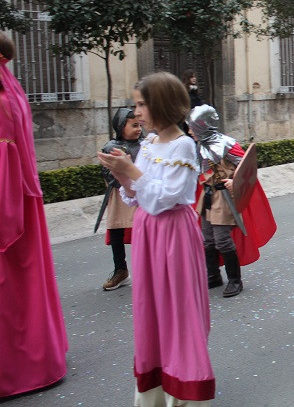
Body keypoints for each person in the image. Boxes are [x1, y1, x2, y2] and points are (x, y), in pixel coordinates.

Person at [98, 72, 215, 404]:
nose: (136, 113)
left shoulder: (183, 144)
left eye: (141, 104)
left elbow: (167, 197)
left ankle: (185, 388)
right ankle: (155, 388)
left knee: (177, 309)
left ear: (160, 105)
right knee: (151, 309)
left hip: (173, 235)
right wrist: (122, 172)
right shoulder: (149, 144)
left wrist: (131, 171)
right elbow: (138, 196)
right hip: (149, 233)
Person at [0, 33, 69, 398]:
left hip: (8, 198)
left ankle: (21, 366)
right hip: (18, 195)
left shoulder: (3, 95)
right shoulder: (12, 90)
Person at [187, 104, 277, 298]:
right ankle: (213, 275)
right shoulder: (199, 147)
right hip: (208, 196)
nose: (189, 132)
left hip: (224, 197)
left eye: (192, 127)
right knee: (207, 239)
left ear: (202, 126)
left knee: (222, 239)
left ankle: (235, 280)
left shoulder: (227, 144)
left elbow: (248, 168)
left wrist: (234, 181)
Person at [99, 107, 143, 290]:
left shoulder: (146, 145)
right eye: (134, 125)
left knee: (143, 231)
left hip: (141, 193)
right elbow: (106, 171)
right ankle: (120, 270)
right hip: (119, 194)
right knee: (117, 232)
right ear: (121, 126)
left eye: (139, 124)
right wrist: (123, 183)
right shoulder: (111, 148)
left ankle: (146, 269)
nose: (138, 129)